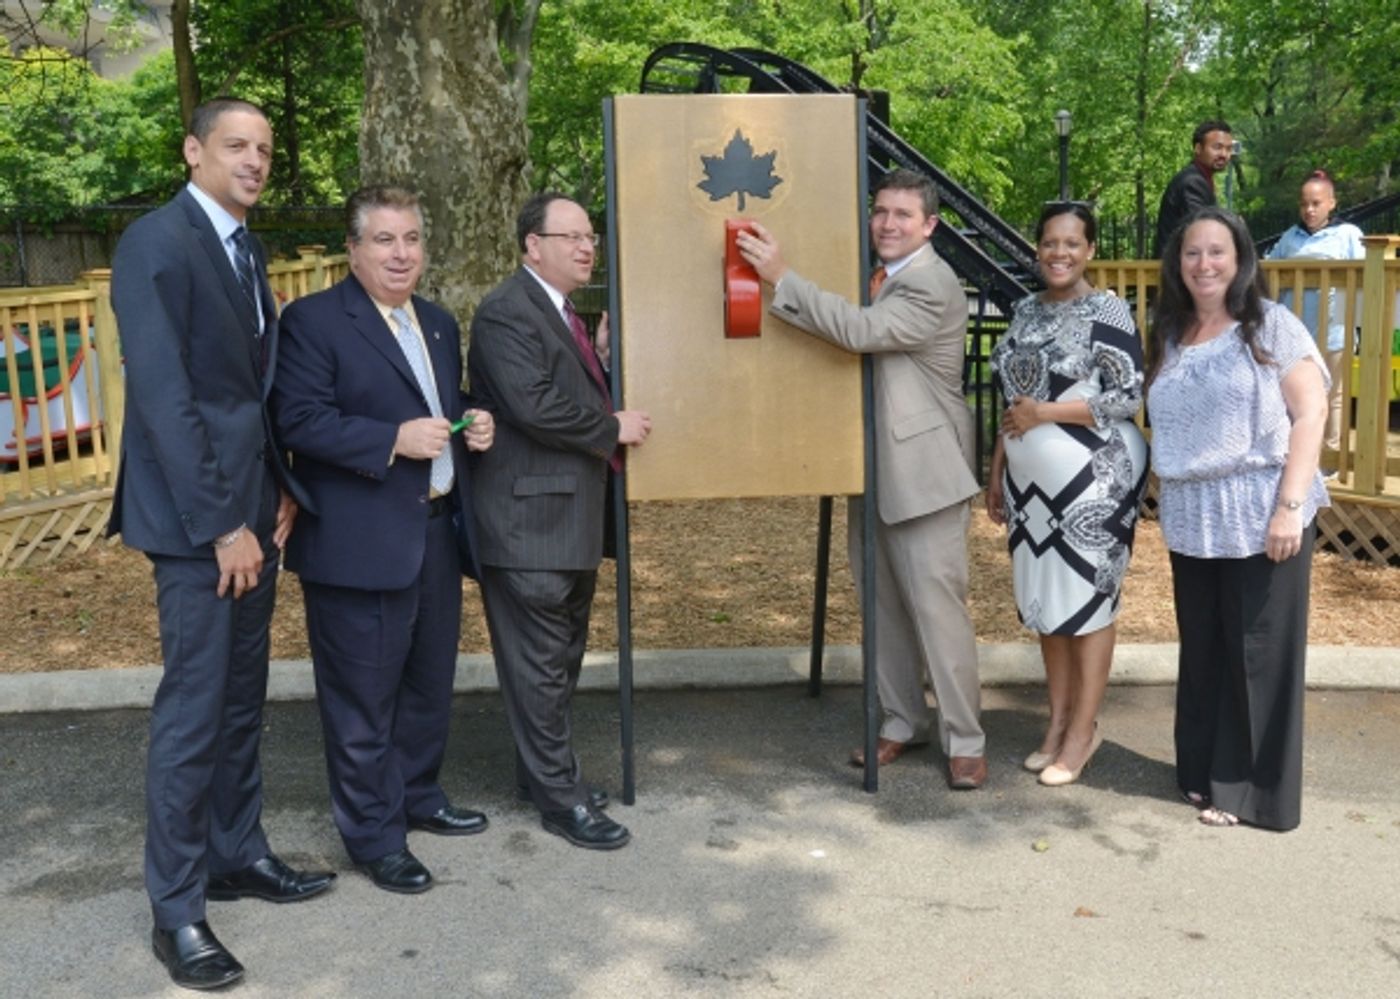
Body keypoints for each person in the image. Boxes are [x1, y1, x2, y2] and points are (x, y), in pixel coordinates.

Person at [109, 97, 334, 991]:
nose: (254, 160)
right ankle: (177, 909)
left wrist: (277, 488)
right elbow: (167, 400)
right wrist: (222, 526)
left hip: (252, 511)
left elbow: (245, 394)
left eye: (266, 148)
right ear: (194, 150)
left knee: (243, 700)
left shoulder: (247, 248)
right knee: (194, 711)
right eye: (237, 145)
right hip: (201, 525)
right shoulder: (156, 244)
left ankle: (237, 852)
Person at [271, 186, 496, 893]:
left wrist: (472, 422)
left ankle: (419, 795)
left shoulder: (433, 321)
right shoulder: (313, 321)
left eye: (411, 240)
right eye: (384, 240)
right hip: (357, 542)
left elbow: (438, 406)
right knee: (362, 699)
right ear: (354, 248)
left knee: (428, 684)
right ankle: (374, 835)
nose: (401, 254)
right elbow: (298, 420)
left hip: (432, 532)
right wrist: (390, 440)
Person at [736, 168, 986, 790]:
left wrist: (779, 277)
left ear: (929, 225)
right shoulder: (875, 276)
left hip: (924, 473)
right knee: (883, 610)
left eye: (903, 215)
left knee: (937, 611)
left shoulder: (930, 283)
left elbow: (860, 331)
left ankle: (967, 740)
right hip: (869, 467)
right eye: (881, 211)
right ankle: (902, 722)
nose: (888, 223)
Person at [468, 191, 652, 849]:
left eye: (590, 237)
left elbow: (561, 388)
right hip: (529, 525)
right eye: (569, 236)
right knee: (543, 664)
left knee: (559, 660)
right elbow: (534, 405)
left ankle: (545, 774)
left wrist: (598, 360)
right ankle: (560, 798)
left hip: (565, 520)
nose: (585, 247)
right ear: (531, 245)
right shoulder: (505, 313)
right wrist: (612, 424)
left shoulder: (563, 313)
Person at [1147, 206, 1329, 831]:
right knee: (1205, 650)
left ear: (1240, 259)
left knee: (1257, 655)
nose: (1204, 264)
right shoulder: (1168, 332)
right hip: (1192, 517)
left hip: (1261, 511)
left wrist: (1290, 507)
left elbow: (1312, 414)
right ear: (1178, 262)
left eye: (1217, 252)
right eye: (1192, 253)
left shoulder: (1270, 326)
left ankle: (1252, 790)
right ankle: (1202, 771)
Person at [986, 202, 1148, 787]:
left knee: (1087, 603)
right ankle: (1055, 724)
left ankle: (1084, 731)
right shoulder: (1025, 310)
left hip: (1097, 477)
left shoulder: (1107, 310)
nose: (1060, 253)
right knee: (1048, 606)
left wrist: (1045, 412)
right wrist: (1000, 463)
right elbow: (1012, 398)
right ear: (1037, 248)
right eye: (1050, 243)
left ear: (1091, 250)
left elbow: (1127, 395)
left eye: (1072, 243)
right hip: (1030, 484)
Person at [1266, 170, 1365, 453]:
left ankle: (1330, 454)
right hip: (1292, 334)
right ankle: (1289, 452)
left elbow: (1363, 282)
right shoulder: (1289, 238)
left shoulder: (1348, 235)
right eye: (1304, 203)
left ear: (1332, 203)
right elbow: (1270, 278)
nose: (1309, 210)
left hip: (1334, 331)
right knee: (1289, 393)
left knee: (1333, 394)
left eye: (1316, 203)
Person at [1154, 120, 1233, 257]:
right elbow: (1203, 230)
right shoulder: (1192, 182)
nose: (1224, 154)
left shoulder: (1199, 178)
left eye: (1228, 149)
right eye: (1217, 147)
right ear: (1198, 148)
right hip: (1177, 271)